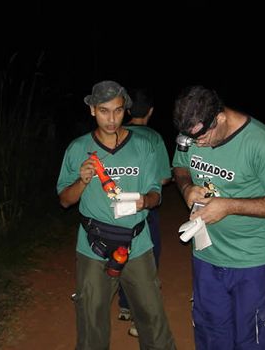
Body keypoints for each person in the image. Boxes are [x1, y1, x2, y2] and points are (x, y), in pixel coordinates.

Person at [171, 85, 265, 349]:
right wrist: (187, 188)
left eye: (202, 137)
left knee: (253, 338)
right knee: (210, 334)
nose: (197, 144)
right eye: (190, 138)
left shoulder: (261, 144)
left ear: (219, 117)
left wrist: (228, 206)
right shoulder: (193, 131)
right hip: (205, 255)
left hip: (251, 262)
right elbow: (180, 166)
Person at [56, 80, 176, 350]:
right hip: (93, 245)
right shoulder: (77, 149)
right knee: (91, 321)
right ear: (92, 110)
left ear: (126, 110)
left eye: (118, 111)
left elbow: (156, 193)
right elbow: (65, 200)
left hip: (138, 244)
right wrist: (83, 181)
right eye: (104, 111)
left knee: (152, 317)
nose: (111, 119)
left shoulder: (143, 146)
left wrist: (146, 201)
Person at [117, 88, 173, 337]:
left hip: (115, 208)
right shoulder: (153, 138)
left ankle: (125, 305)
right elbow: (162, 179)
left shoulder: (115, 133)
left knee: (119, 252)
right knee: (145, 259)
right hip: (143, 207)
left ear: (127, 110)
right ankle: (139, 318)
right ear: (150, 111)